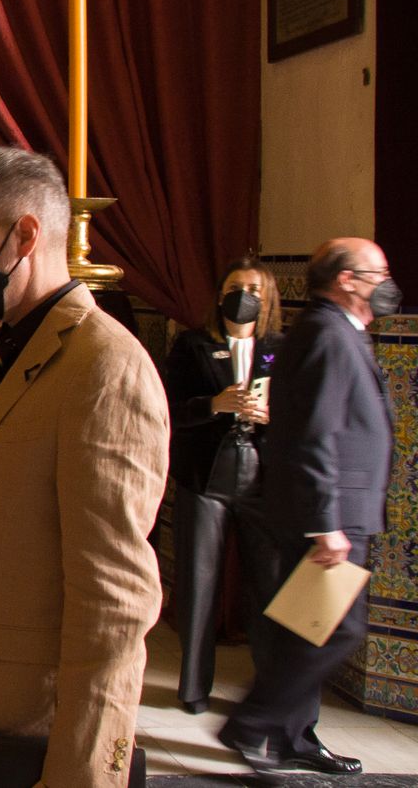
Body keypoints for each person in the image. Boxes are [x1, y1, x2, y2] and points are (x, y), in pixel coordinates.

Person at [0, 145, 168, 786]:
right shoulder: (4, 349)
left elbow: (116, 600)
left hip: (38, 727)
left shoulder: (104, 367)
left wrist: (83, 775)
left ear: (26, 236)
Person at [219, 238, 398, 779]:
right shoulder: (328, 333)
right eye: (377, 273)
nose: (386, 283)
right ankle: (253, 724)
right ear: (347, 279)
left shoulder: (336, 330)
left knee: (308, 627)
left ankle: (288, 738)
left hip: (335, 510)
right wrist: (327, 523)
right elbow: (315, 433)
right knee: (335, 629)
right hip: (330, 514)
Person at [162, 257, 286, 714]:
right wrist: (213, 404)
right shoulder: (193, 345)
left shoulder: (279, 349)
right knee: (199, 583)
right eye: (236, 288)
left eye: (254, 290)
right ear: (220, 295)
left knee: (268, 585)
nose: (244, 297)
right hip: (205, 476)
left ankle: (269, 690)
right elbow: (168, 409)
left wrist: (272, 417)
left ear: (268, 300)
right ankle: (194, 688)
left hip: (261, 477)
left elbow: (302, 413)